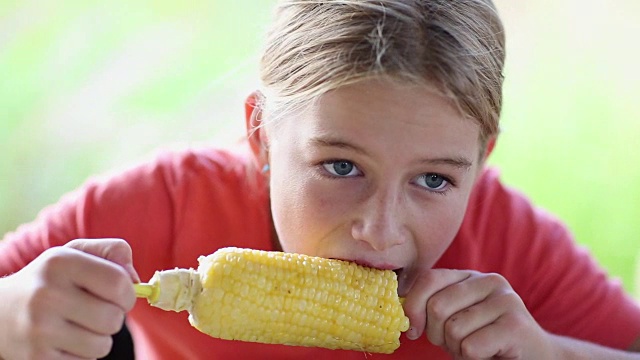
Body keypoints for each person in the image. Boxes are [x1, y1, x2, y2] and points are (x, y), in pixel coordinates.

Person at [1, 0, 640, 359]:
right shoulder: (166, 205)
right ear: (260, 135)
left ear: (482, 161)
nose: (380, 232)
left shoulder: (510, 244)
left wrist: (550, 353)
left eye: (436, 181)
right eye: (340, 167)